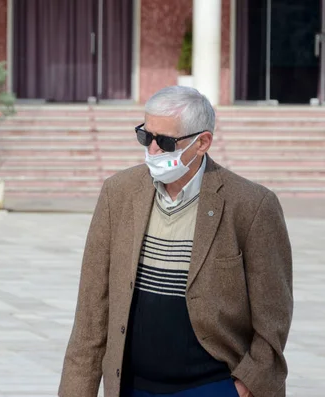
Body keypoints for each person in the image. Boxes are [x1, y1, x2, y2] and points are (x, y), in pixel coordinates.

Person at [58, 86, 293, 397]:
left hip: (212, 387)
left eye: (165, 141)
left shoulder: (251, 204)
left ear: (202, 142)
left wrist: (247, 384)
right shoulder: (119, 193)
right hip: (131, 387)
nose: (153, 150)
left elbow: (273, 313)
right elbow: (91, 310)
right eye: (146, 136)